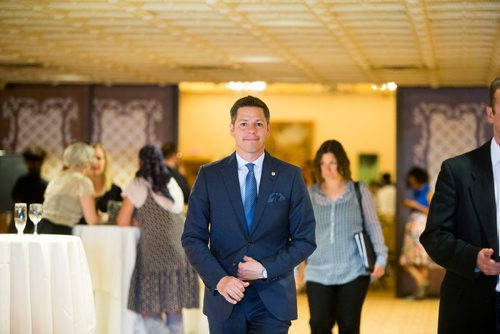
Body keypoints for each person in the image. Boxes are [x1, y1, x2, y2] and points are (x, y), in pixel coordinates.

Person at [181, 95, 316, 334]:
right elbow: (192, 238)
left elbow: (305, 239)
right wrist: (220, 280)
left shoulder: (290, 176)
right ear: (232, 128)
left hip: (273, 299)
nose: (251, 130)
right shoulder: (209, 176)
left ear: (268, 129)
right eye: (244, 123)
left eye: (258, 124)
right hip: (225, 296)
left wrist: (265, 269)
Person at [420, 77, 500, 333]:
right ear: (491, 113)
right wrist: (473, 258)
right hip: (470, 307)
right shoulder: (458, 170)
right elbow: (434, 236)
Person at [299, 139, 387, 334]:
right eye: (323, 164)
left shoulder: (359, 191)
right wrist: (298, 268)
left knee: (349, 327)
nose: (327, 168)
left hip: (353, 271)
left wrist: (381, 258)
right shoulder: (309, 195)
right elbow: (300, 234)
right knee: (319, 325)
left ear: (342, 163)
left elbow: (373, 225)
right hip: (318, 272)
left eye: (332, 163)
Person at [116, 145, 199, 334]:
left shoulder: (138, 183)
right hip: (179, 253)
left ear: (140, 162)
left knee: (151, 309)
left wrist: (140, 222)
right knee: (174, 309)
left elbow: (122, 220)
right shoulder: (171, 182)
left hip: (155, 253)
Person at [39, 142, 100, 234]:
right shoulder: (83, 182)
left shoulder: (57, 178)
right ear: (88, 160)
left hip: (41, 227)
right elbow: (91, 220)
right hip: (61, 230)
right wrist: (102, 218)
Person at [399, 166, 433, 299]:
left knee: (419, 260)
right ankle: (421, 287)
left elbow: (432, 211)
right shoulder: (414, 192)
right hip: (413, 226)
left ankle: (422, 286)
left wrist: (415, 205)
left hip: (422, 226)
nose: (412, 182)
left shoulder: (429, 192)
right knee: (413, 260)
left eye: (413, 180)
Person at [8, 145, 48, 234]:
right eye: (31, 161)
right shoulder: (21, 182)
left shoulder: (44, 185)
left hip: (36, 225)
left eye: (36, 161)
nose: (33, 164)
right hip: (22, 223)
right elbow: (16, 206)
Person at [80, 143, 122, 224]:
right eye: (90, 158)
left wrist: (107, 218)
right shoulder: (78, 188)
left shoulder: (116, 191)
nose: (94, 162)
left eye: (98, 158)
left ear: (105, 162)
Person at [375, 173, 396, 255]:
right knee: (393, 243)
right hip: (394, 218)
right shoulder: (395, 190)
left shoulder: (380, 191)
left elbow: (378, 207)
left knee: (385, 243)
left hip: (384, 218)